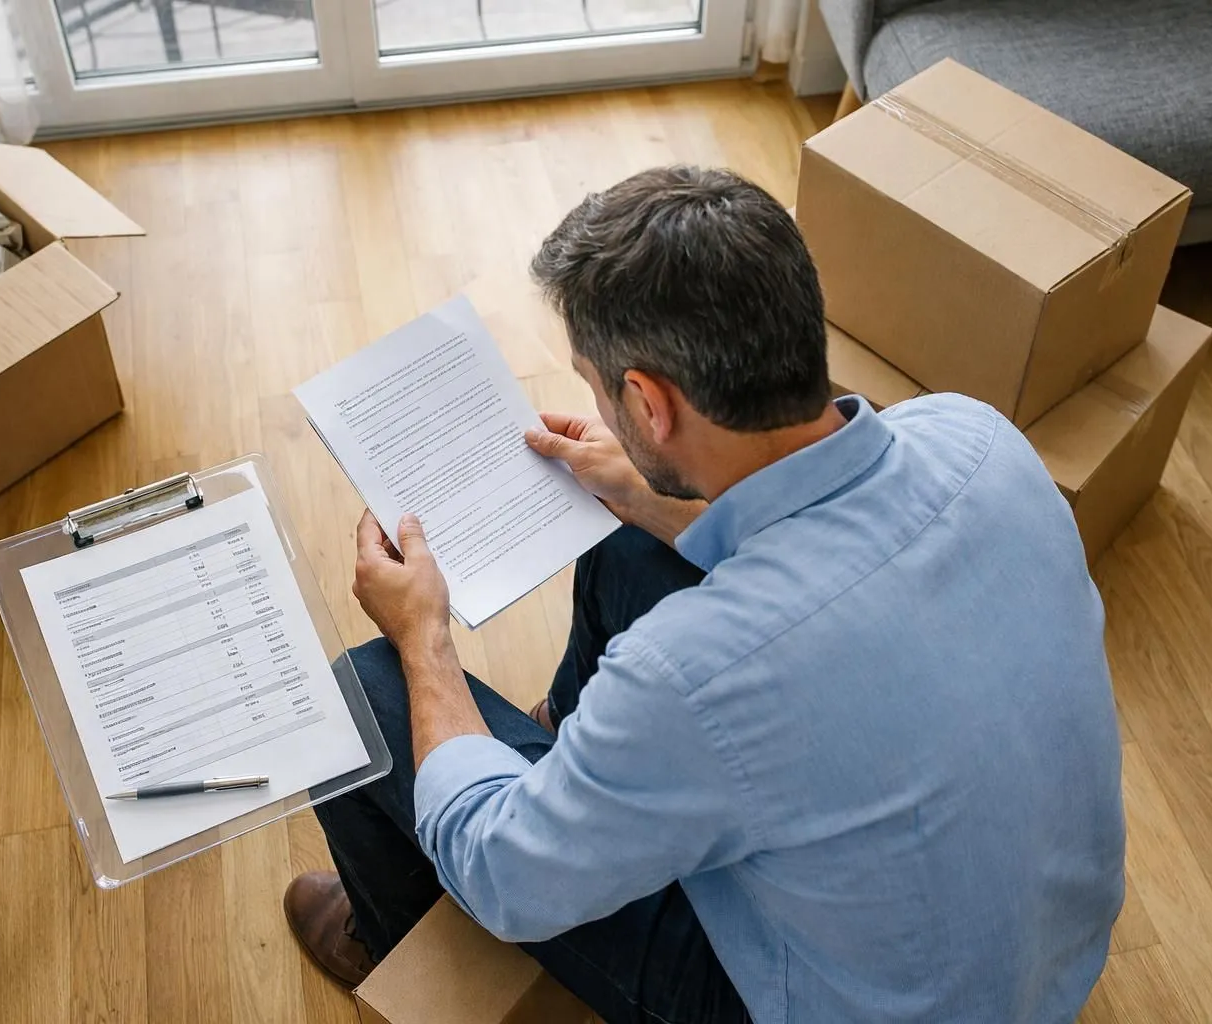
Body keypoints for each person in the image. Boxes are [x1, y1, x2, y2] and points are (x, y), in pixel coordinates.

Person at [283, 166, 1125, 1023]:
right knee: (625, 540)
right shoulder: (977, 435)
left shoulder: (689, 673)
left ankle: (396, 936)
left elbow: (505, 879)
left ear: (648, 403)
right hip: (1043, 966)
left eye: (596, 382)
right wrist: (647, 494)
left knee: (362, 694)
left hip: (835, 1003)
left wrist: (423, 635)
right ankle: (580, 766)